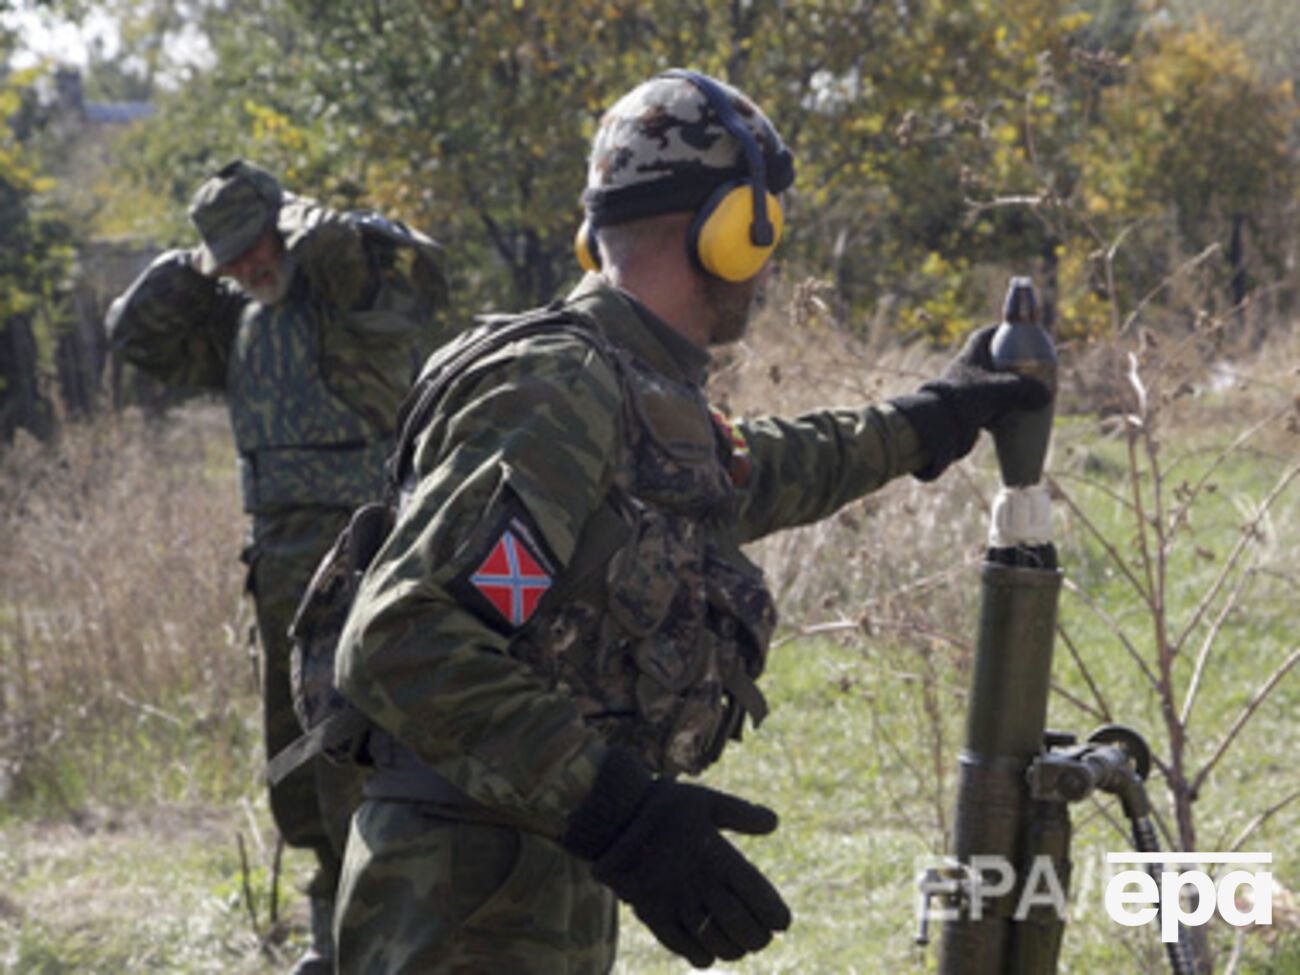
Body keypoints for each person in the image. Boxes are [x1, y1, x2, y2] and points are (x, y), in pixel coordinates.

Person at [330, 70, 1049, 973]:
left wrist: (932, 418)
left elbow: (752, 473)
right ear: (736, 229)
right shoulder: (558, 388)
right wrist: (621, 813)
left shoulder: (630, 389)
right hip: (462, 903)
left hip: (514, 875)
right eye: (770, 227)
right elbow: (401, 637)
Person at [106, 159, 451, 975]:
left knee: (360, 741)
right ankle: (336, 935)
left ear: (283, 224)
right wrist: (198, 261)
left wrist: (288, 219)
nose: (248, 267)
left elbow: (361, 247)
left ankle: (395, 937)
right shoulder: (240, 319)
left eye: (254, 246)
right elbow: (134, 333)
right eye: (229, 259)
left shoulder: (339, 280)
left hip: (362, 545)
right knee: (298, 751)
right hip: (279, 562)